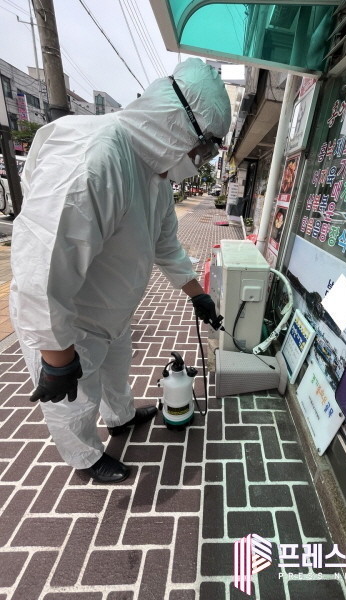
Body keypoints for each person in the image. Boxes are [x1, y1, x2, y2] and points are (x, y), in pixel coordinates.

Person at [10, 58, 231, 483]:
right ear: (176, 124)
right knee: (75, 397)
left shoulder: (153, 175)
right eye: (202, 149)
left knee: (115, 370)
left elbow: (165, 244)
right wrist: (56, 357)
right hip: (69, 319)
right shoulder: (96, 160)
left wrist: (197, 294)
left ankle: (121, 417)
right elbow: (42, 265)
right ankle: (84, 457)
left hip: (112, 311)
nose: (198, 161)